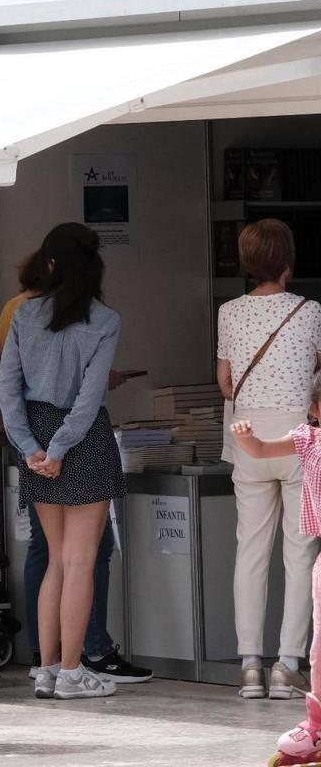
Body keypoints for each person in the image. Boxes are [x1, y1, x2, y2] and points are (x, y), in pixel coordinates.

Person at [1, 251, 152, 685]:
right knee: (81, 562)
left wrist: (30, 447)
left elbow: (8, 387)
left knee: (56, 561)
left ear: (51, 266)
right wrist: (62, 446)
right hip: (82, 436)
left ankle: (47, 668)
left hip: (35, 429)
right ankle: (72, 672)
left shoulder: (24, 313)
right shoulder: (105, 320)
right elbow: (89, 398)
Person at [217, 218, 321, 700]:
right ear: (288, 260)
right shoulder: (310, 311)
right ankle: (288, 664)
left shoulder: (230, 313)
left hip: (248, 435)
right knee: (299, 553)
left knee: (250, 551)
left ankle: (249, 666)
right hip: (300, 436)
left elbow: (224, 381)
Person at [232, 385, 321, 765]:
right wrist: (248, 439)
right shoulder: (307, 438)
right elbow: (264, 451)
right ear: (315, 409)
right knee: (319, 650)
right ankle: (317, 726)